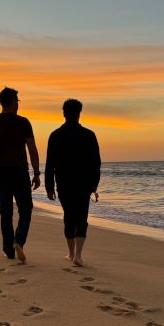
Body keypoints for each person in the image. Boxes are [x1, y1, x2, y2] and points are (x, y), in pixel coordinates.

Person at [0, 87, 41, 263]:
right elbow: (32, 150)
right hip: (19, 171)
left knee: (5, 211)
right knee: (25, 209)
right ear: (12, 102)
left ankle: (9, 249)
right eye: (17, 101)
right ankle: (19, 241)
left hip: (0, 171)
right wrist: (37, 173)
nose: (18, 104)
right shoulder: (23, 122)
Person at [45, 98, 101, 267]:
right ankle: (78, 255)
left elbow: (50, 163)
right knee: (82, 217)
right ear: (79, 114)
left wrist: (49, 187)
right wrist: (94, 184)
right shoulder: (89, 135)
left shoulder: (55, 135)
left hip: (63, 182)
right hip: (83, 184)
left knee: (69, 216)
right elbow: (96, 163)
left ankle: (70, 253)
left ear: (64, 113)